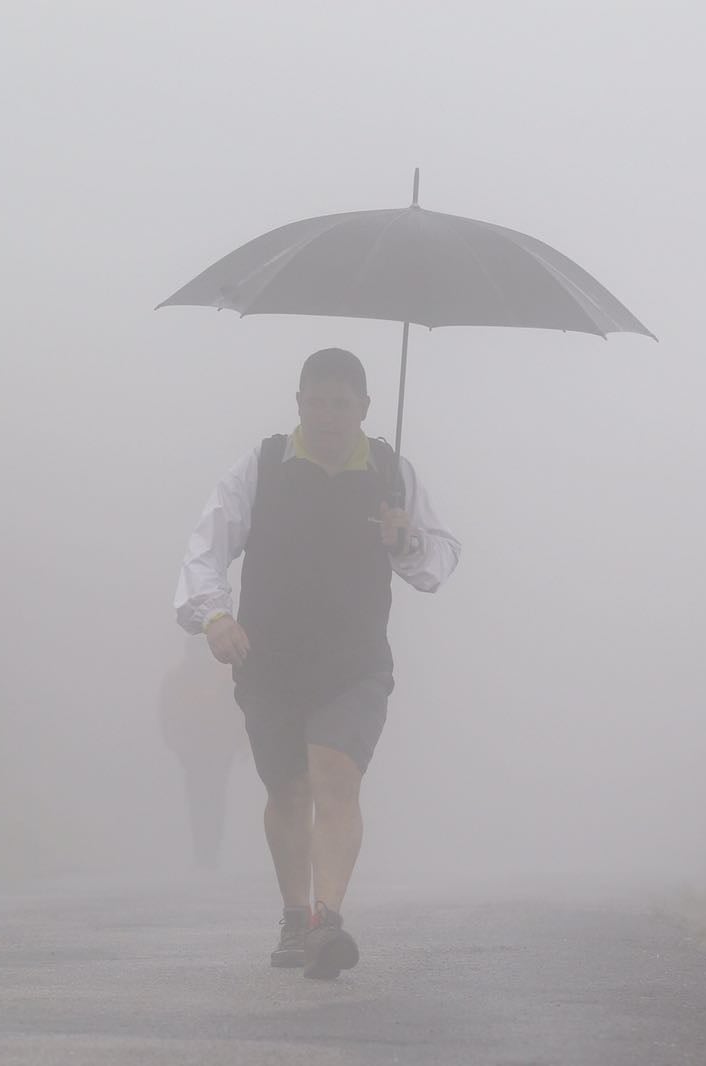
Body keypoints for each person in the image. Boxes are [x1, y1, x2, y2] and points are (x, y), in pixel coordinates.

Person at [174, 347, 460, 979]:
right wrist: (214, 617)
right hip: (268, 658)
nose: (329, 415)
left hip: (355, 662)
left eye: (342, 404)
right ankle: (293, 912)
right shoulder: (263, 465)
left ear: (364, 409)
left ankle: (325, 921)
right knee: (288, 788)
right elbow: (205, 546)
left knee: (335, 777)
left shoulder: (391, 473)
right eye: (317, 401)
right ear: (299, 403)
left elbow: (439, 559)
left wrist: (404, 537)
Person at [159, 637, 246, 871]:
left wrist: (240, 743)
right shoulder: (177, 680)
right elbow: (167, 715)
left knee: (214, 798)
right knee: (200, 798)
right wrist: (176, 744)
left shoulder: (221, 678)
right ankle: (204, 851)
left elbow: (236, 710)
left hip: (217, 750)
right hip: (194, 751)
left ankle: (210, 850)